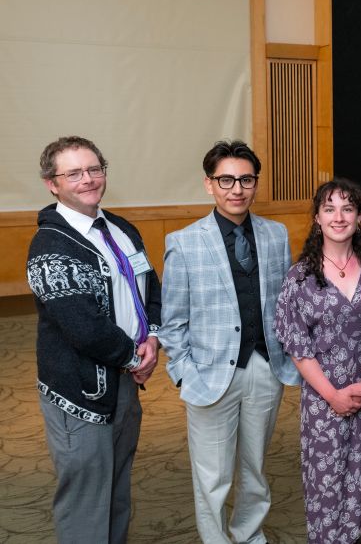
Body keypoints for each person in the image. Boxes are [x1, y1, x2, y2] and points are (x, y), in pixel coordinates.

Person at [158, 140, 300, 544]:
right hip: (208, 373)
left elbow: (284, 302)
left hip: (264, 367)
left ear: (255, 184)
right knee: (213, 475)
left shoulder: (276, 235)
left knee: (254, 467)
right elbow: (172, 320)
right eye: (226, 180)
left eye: (246, 179)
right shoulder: (184, 242)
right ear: (209, 184)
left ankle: (249, 534)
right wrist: (184, 373)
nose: (236, 189)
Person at [26, 135, 161, 543]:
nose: (87, 180)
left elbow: (149, 289)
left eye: (94, 169)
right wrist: (134, 358)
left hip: (125, 381)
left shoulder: (121, 228)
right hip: (79, 390)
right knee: (86, 499)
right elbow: (81, 325)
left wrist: (152, 339)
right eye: (74, 173)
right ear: (53, 184)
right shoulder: (49, 245)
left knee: (118, 490)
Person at [274, 179, 361, 543]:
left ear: (360, 216)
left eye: (348, 208)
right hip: (323, 404)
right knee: (330, 490)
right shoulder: (300, 278)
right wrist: (332, 394)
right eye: (329, 208)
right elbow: (297, 345)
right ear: (317, 217)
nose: (339, 216)